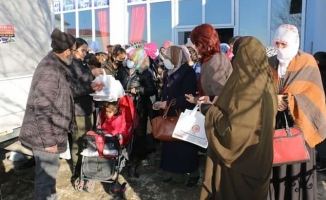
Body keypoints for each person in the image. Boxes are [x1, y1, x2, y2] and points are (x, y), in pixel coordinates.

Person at [18, 28, 104, 200]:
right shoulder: (50, 71)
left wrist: (90, 87)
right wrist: (49, 142)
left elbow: (65, 91)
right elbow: (42, 109)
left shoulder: (56, 65)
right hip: (45, 138)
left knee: (49, 178)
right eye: (74, 50)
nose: (75, 54)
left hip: (50, 133)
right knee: (45, 180)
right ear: (66, 51)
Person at [198, 36, 278, 199]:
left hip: (239, 165)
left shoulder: (245, 85)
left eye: (236, 55)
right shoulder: (267, 81)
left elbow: (233, 133)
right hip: (260, 159)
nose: (232, 59)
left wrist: (209, 111)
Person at [267, 24, 326, 200]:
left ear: (294, 42)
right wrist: (272, 98)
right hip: (275, 122)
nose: (279, 48)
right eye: (277, 43)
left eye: (283, 44)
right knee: (276, 164)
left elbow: (313, 95)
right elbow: (262, 88)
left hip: (300, 124)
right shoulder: (270, 62)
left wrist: (287, 99)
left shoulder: (306, 61)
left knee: (296, 167)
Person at [157, 45, 200, 189]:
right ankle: (175, 174)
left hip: (183, 114)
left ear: (177, 57)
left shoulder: (187, 72)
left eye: (169, 57)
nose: (166, 60)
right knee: (170, 144)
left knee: (185, 147)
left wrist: (168, 103)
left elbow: (188, 96)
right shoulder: (169, 71)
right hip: (170, 113)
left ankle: (193, 174)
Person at [116, 44, 156, 171]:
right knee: (125, 129)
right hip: (124, 104)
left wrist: (138, 89)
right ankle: (127, 153)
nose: (129, 60)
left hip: (139, 105)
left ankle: (140, 156)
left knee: (140, 131)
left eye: (132, 58)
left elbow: (152, 90)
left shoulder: (145, 72)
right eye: (129, 57)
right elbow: (118, 83)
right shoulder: (122, 70)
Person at [68, 38, 103, 180]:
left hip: (88, 108)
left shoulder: (82, 64)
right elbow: (72, 90)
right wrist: (91, 84)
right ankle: (77, 172)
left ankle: (86, 167)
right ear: (73, 49)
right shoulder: (70, 66)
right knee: (79, 141)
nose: (85, 53)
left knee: (88, 138)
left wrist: (94, 86)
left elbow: (85, 82)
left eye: (86, 51)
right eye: (83, 50)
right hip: (78, 111)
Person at [186, 23, 232, 106]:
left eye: (195, 43)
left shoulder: (215, 62)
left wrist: (196, 100)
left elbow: (220, 98)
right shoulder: (208, 59)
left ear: (202, 43)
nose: (194, 47)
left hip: (216, 114)